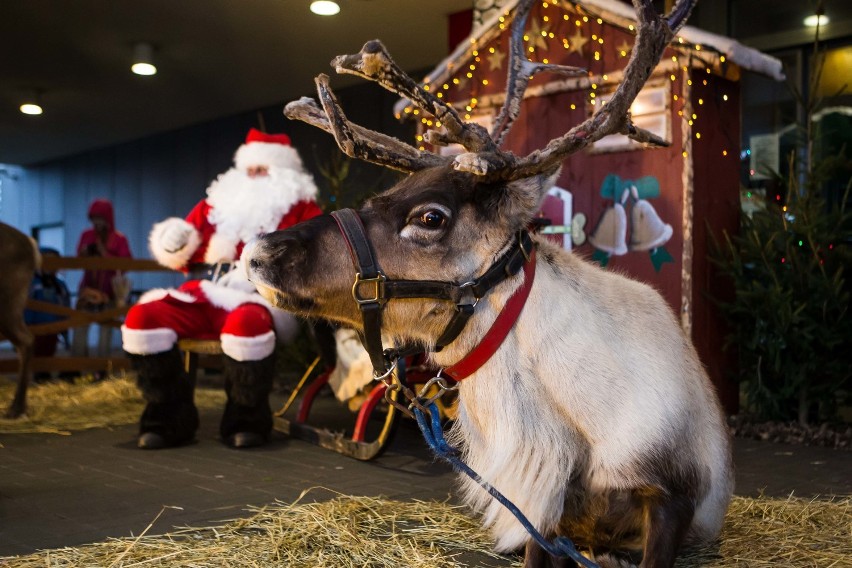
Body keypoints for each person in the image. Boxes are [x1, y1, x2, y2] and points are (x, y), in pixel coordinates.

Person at [121, 128, 323, 450]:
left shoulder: (302, 210)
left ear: (285, 175)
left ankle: (246, 421)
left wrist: (261, 272)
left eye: (263, 169)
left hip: (258, 296)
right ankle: (166, 419)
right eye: (250, 169)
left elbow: (314, 257)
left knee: (247, 326)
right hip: (205, 292)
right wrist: (173, 240)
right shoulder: (215, 205)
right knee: (143, 318)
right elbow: (182, 253)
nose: (254, 176)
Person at [72, 199, 133, 360]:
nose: (97, 222)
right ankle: (75, 368)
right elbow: (76, 260)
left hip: (109, 293)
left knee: (106, 330)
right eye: (94, 218)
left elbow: (126, 264)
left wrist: (104, 253)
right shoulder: (86, 236)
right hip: (87, 290)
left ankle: (102, 369)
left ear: (108, 217)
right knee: (79, 325)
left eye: (101, 217)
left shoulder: (119, 239)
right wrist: (84, 254)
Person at [23, 247, 72, 382]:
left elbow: (65, 304)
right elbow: (25, 304)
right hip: (35, 326)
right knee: (35, 352)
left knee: (49, 350)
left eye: (55, 262)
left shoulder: (59, 285)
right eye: (48, 261)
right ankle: (38, 374)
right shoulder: (32, 282)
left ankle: (45, 374)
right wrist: (25, 324)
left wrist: (64, 327)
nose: (52, 266)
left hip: (54, 326)